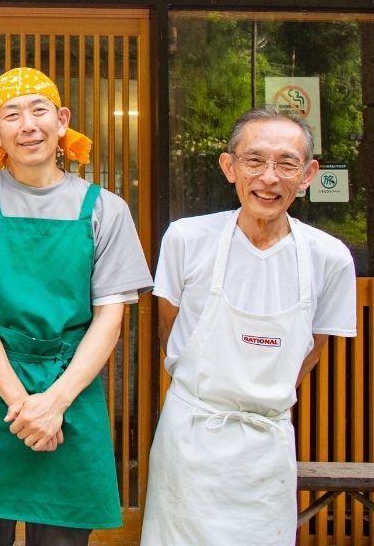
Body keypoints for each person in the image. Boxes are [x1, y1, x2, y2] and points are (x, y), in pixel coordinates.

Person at [0, 67, 152, 546]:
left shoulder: (106, 209)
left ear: (62, 120)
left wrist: (55, 403)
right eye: (11, 115)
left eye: (39, 111)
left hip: (71, 391)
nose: (28, 125)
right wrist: (24, 407)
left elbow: (110, 317)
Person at [141, 106, 357, 545]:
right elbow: (170, 332)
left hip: (266, 446)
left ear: (308, 174)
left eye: (286, 163)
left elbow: (311, 351)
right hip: (190, 436)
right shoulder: (186, 238)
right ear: (229, 167)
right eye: (254, 160)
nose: (268, 177)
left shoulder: (329, 257)